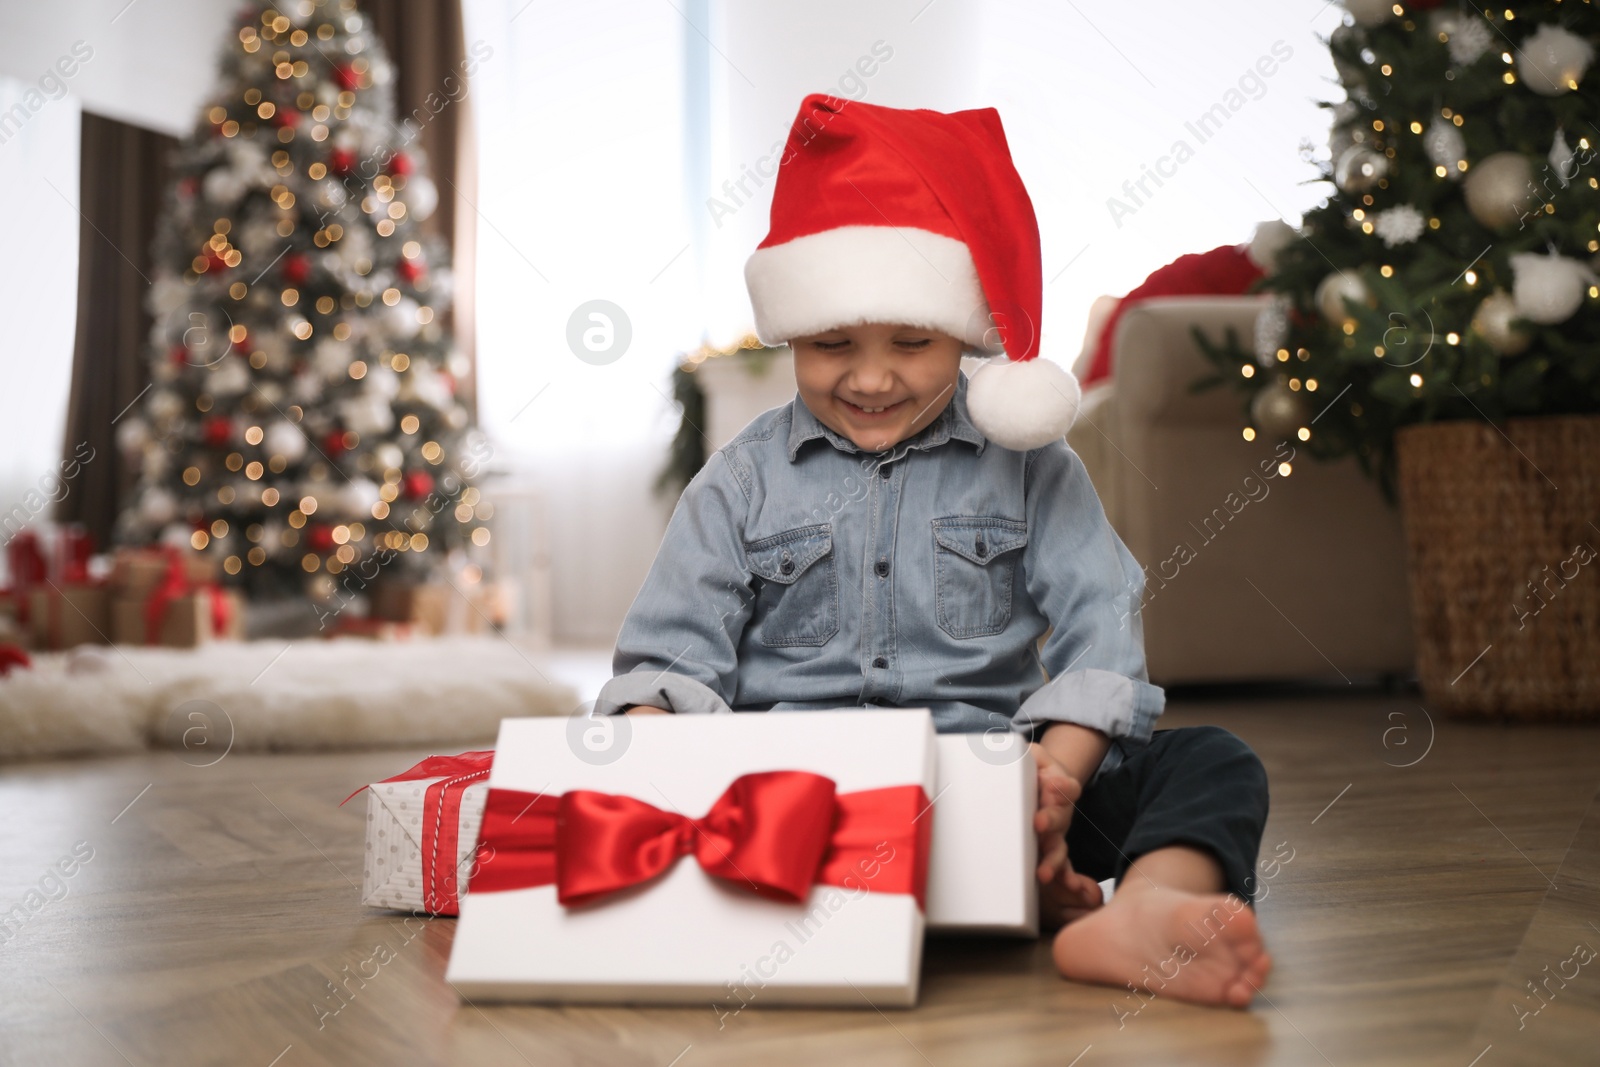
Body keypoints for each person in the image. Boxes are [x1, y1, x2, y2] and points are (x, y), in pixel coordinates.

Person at [594, 93, 1271, 1008]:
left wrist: (1056, 781)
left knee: (1215, 759)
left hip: (999, 794)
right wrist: (654, 774)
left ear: (962, 330)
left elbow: (1100, 629)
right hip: (804, 808)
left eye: (911, 342)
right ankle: (966, 901)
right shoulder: (740, 481)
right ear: (793, 331)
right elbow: (667, 664)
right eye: (832, 343)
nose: (870, 377)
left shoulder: (1031, 465)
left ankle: (1147, 905)